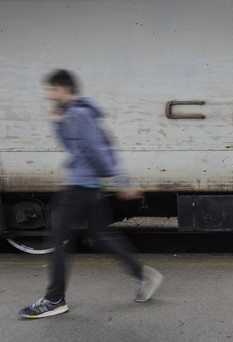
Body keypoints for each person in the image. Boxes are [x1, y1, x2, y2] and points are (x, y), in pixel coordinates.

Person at [19, 69, 163, 319]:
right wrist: (58, 125)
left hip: (79, 188)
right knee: (101, 235)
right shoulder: (82, 114)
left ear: (64, 89)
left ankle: (54, 299)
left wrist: (121, 182)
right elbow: (90, 147)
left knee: (58, 241)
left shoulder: (79, 114)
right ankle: (142, 275)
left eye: (52, 90)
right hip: (89, 187)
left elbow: (95, 151)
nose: (49, 95)